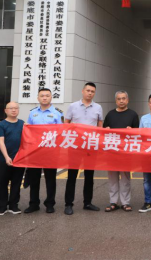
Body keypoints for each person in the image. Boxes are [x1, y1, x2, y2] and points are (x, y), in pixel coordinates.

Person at [64, 82, 103, 215]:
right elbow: (66, 124)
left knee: (89, 176)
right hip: (75, 145)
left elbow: (100, 126)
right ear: (83, 91)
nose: (90, 93)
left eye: (92, 91)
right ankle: (68, 204)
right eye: (88, 90)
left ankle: (87, 202)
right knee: (72, 175)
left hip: (90, 146)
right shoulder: (73, 106)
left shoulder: (98, 107)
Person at [25, 88, 63, 214]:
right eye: (42, 96)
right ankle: (34, 203)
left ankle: (50, 203)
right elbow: (29, 131)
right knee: (34, 178)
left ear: (51, 97)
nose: (45, 98)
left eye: (47, 95)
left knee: (50, 178)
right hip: (35, 150)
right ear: (38, 98)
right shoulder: (32, 113)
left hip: (50, 150)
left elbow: (61, 132)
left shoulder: (57, 113)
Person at [103, 91, 139, 213]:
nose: (121, 101)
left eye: (124, 98)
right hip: (112, 151)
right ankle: (113, 202)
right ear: (116, 101)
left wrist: (132, 130)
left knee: (125, 179)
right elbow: (103, 132)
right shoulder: (110, 114)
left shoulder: (133, 114)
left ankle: (125, 202)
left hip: (126, 152)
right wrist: (106, 130)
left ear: (127, 100)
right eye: (119, 99)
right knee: (112, 179)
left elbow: (138, 134)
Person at [0, 102, 25, 216]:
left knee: (16, 183)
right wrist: (7, 157)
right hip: (4, 159)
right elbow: (1, 142)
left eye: (16, 108)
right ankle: (2, 206)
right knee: (3, 183)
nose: (14, 110)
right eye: (11, 108)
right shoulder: (1, 125)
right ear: (5, 110)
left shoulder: (22, 124)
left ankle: (13, 205)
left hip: (20, 159)